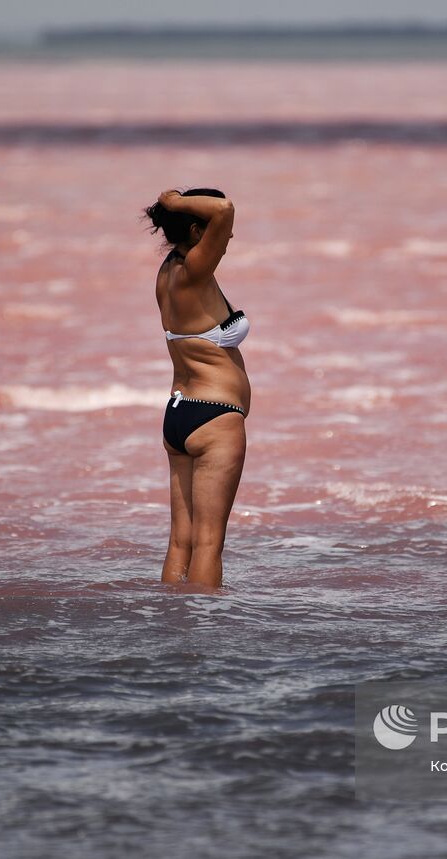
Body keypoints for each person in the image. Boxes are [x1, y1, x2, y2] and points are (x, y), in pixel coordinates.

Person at [141, 188, 249, 589]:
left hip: (179, 414)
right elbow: (224, 209)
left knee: (180, 543)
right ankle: (205, 636)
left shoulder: (170, 271)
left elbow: (218, 215)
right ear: (193, 228)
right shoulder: (194, 271)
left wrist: (176, 206)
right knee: (208, 543)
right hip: (215, 416)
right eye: (218, 233)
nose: (229, 237)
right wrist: (173, 200)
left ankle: (174, 625)